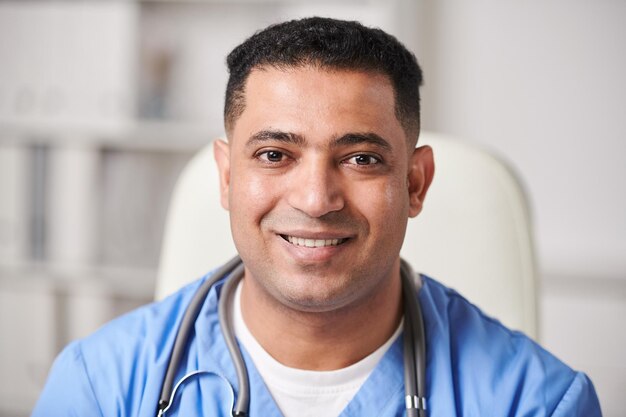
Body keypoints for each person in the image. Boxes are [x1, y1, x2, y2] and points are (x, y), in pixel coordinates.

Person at [33, 17, 602, 417]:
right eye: (275, 155)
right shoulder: (100, 386)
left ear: (415, 183)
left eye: (360, 158)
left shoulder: (536, 403)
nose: (315, 198)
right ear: (228, 177)